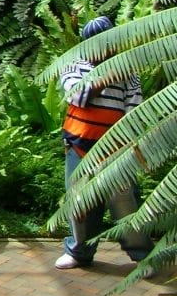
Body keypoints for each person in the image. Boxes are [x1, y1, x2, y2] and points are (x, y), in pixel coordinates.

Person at [55, 16, 153, 271]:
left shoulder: (129, 74)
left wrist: (136, 147)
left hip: (115, 148)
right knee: (80, 203)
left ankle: (142, 256)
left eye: (108, 43)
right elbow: (79, 96)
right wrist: (109, 75)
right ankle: (79, 252)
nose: (105, 49)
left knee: (125, 202)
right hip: (79, 145)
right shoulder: (73, 66)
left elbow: (134, 111)